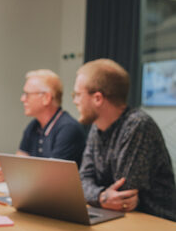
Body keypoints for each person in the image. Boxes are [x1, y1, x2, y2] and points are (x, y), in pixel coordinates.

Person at [73, 58, 176, 221]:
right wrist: (102, 197)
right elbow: (82, 180)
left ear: (98, 98)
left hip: (154, 222)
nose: (75, 101)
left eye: (78, 94)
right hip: (118, 217)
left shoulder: (138, 125)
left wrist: (98, 195)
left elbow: (123, 195)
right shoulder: (97, 126)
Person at [0, 69, 86, 183]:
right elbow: (18, 165)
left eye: (27, 94)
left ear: (46, 98)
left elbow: (52, 179)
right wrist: (2, 173)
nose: (22, 99)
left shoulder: (69, 129)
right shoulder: (33, 126)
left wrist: (15, 174)